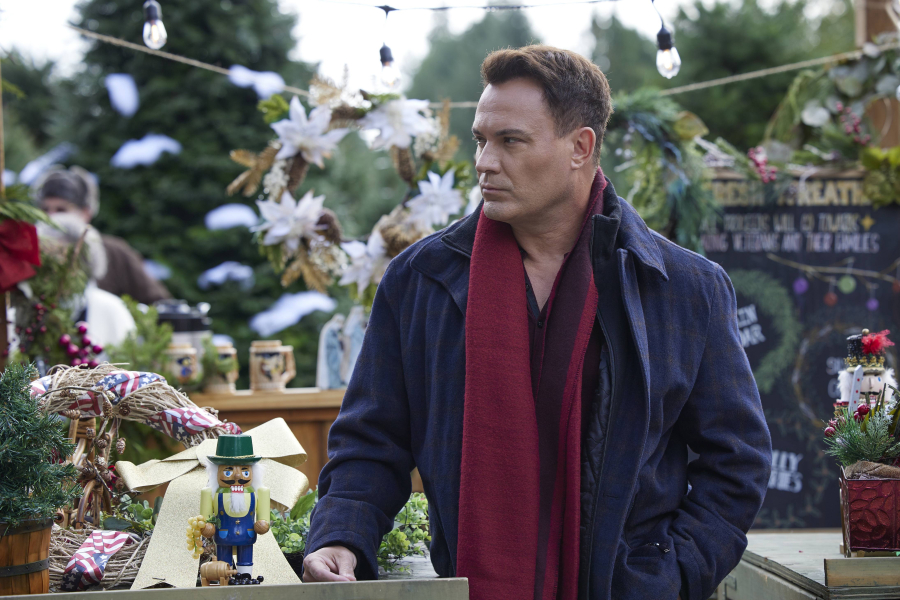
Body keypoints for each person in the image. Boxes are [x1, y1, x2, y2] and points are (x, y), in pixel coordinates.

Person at [303, 45, 772, 600]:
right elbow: (371, 441)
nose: (484, 162)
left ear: (580, 147)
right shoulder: (420, 282)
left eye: (510, 141)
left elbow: (737, 463)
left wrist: (667, 578)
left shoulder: (683, 288)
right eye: (480, 140)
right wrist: (342, 536)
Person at [34, 166, 171, 305]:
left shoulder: (115, 253)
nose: (51, 218)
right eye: (45, 210)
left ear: (86, 213)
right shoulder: (30, 255)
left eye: (61, 210)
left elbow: (158, 303)